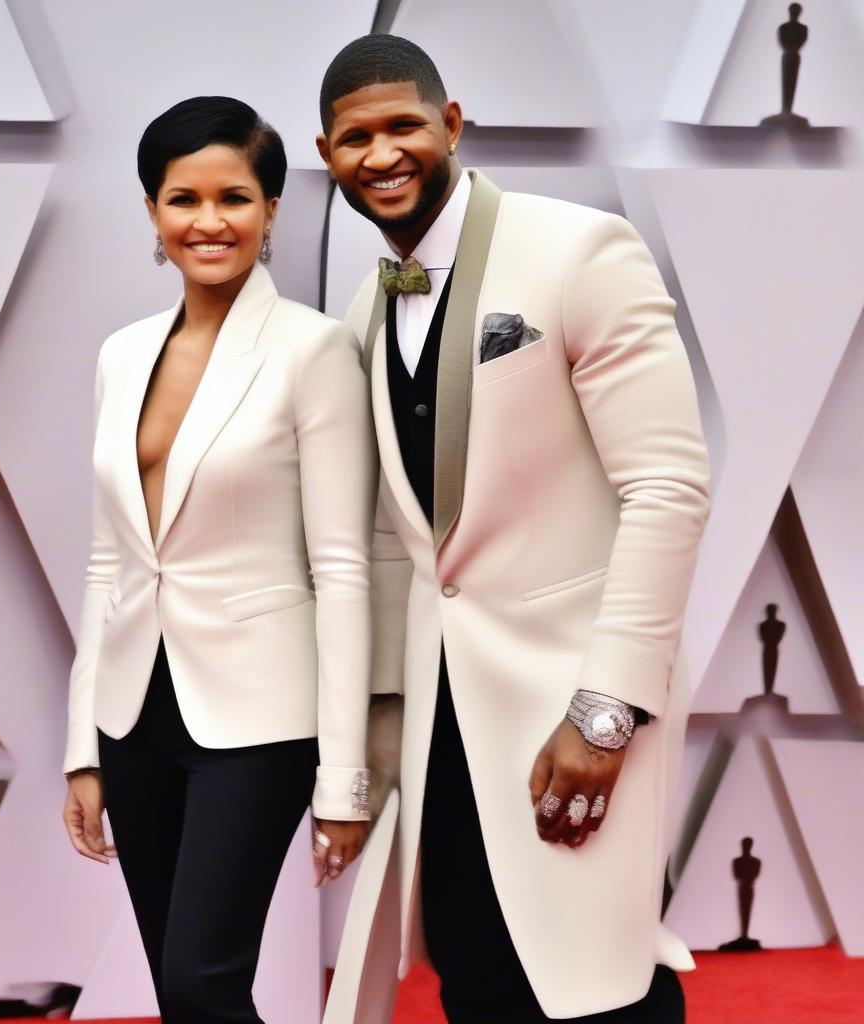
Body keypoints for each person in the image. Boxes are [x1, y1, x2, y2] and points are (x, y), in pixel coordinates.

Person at [317, 35, 711, 1024]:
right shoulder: (371, 297)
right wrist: (376, 723)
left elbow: (667, 484)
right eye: (353, 138)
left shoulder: (579, 248)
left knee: (597, 979)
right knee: (476, 971)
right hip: (442, 713)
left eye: (401, 125)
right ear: (327, 157)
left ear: (451, 125)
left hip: (573, 699)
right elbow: (390, 527)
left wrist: (606, 708)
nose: (381, 154)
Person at [60, 96, 375, 1024]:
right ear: (152, 212)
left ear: (271, 208)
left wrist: (344, 776)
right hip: (133, 714)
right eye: (181, 199)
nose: (208, 222)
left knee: (204, 980)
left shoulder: (313, 351)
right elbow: (106, 563)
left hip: (260, 722)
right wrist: (84, 747)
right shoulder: (122, 355)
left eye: (233, 196)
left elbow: (344, 569)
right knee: (179, 986)